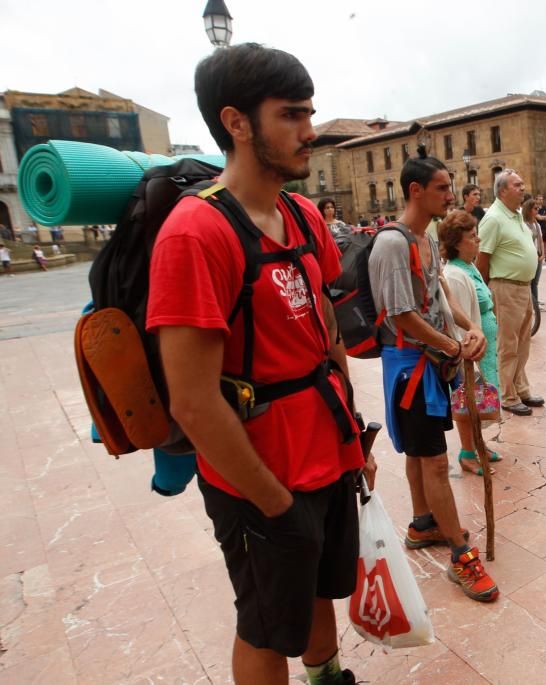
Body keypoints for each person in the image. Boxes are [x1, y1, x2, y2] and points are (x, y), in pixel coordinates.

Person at [146, 43, 370, 685]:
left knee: (322, 591)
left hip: (327, 453)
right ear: (236, 122)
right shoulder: (197, 234)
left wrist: (352, 434)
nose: (310, 131)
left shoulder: (303, 216)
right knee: (267, 627)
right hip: (260, 476)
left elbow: (325, 332)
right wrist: (271, 501)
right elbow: (191, 399)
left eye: (310, 113)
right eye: (291, 115)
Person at [368, 146, 499, 602]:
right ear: (415, 190)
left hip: (430, 364)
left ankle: (424, 523)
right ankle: (462, 557)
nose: (451, 195)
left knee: (419, 452)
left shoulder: (424, 241)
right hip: (410, 371)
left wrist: (469, 328)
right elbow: (401, 315)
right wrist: (451, 345)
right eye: (442, 188)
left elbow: (438, 294)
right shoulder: (390, 242)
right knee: (434, 461)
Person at [476, 169, 544, 416]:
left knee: (523, 343)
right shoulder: (493, 218)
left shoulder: (515, 215)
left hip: (523, 288)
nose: (523, 188)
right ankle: (507, 394)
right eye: (517, 185)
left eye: (522, 183)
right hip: (505, 288)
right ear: (503, 190)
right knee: (507, 344)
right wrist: (485, 294)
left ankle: (521, 388)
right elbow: (482, 259)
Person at [439, 211, 502, 476]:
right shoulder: (454, 274)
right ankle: (467, 451)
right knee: (468, 399)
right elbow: (457, 319)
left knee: (479, 396)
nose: (478, 240)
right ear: (456, 242)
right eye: (472, 237)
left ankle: (479, 443)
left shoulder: (470, 266)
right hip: (469, 351)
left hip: (482, 347)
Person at [522, 195, 546, 308]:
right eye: (535, 208)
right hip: (528, 256)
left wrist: (542, 254)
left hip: (537, 255)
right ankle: (530, 303)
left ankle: (535, 303)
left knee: (535, 282)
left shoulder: (536, 224)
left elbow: (540, 240)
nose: (538, 210)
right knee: (529, 281)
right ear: (528, 210)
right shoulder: (523, 225)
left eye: (538, 208)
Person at [535, 193, 546, 262]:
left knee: (545, 243)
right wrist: (544, 217)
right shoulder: (535, 207)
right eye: (539, 199)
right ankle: (540, 256)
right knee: (540, 243)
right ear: (536, 200)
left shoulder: (544, 207)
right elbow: (538, 217)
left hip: (544, 227)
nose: (541, 201)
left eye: (542, 199)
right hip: (538, 227)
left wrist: (543, 217)